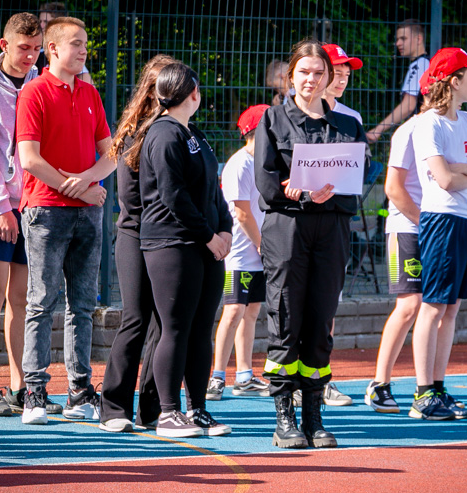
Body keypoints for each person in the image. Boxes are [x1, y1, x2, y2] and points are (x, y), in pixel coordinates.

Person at [255, 39, 370, 449]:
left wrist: (316, 192)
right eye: (303, 71)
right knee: (286, 318)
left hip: (333, 229)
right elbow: (268, 186)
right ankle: (284, 416)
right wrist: (302, 195)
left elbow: (355, 183)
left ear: (328, 78)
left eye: (318, 72)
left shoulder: (348, 125)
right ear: (291, 76)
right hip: (287, 230)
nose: (311, 79)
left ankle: (314, 416)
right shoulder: (272, 120)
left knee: (320, 323)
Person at [16, 16, 114, 425]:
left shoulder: (90, 94)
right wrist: (80, 188)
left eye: (85, 43)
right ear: (53, 49)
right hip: (45, 211)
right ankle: (34, 393)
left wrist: (88, 181)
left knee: (83, 306)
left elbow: (110, 155)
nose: (83, 49)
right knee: (41, 302)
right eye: (75, 43)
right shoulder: (34, 92)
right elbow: (30, 159)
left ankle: (78, 390)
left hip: (87, 211)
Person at [0, 12, 62, 417]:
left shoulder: (44, 85)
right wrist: (2, 207)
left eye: (38, 49)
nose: (32, 56)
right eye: (24, 48)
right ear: (5, 45)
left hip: (36, 204)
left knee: (22, 297)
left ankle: (22, 386)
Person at [136, 62, 233, 438]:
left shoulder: (195, 133)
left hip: (205, 244)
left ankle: (198, 409)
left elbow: (214, 190)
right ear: (190, 92)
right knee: (175, 328)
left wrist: (223, 230)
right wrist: (209, 236)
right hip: (171, 243)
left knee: (200, 330)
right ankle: (168, 412)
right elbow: (172, 195)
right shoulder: (162, 134)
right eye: (198, 88)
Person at [409, 47, 467, 421]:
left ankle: (439, 387)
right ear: (453, 80)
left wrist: (462, 166)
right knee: (433, 305)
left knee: (453, 306)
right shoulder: (427, 123)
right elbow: (443, 181)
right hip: (442, 220)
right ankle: (422, 393)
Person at [99, 55, 179, 432]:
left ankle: (153, 408)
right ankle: (113, 407)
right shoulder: (135, 134)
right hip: (135, 235)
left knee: (163, 325)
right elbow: (132, 201)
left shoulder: (177, 130)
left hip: (165, 239)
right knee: (135, 317)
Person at [206, 104, 270, 402]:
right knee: (233, 311)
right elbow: (242, 214)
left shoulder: (266, 162)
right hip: (240, 253)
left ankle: (244, 375)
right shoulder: (239, 164)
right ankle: (217, 376)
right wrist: (262, 245)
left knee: (252, 311)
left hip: (258, 251)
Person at [365, 112, 424, 413]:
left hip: (440, 225)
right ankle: (379, 383)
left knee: (438, 307)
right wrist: (425, 222)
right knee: (410, 305)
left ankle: (428, 389)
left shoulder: (464, 123)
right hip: (408, 228)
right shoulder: (410, 130)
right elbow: (393, 188)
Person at [366, 19, 429, 143]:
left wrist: (377, 130)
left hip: (422, 133)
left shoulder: (420, 64)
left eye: (403, 38)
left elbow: (409, 105)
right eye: (397, 39)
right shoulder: (424, 63)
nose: (398, 43)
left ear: (418, 39)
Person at [35, 2, 93, 85]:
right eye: (40, 21)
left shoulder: (71, 58)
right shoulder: (36, 55)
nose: (41, 25)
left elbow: (89, 87)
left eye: (46, 22)